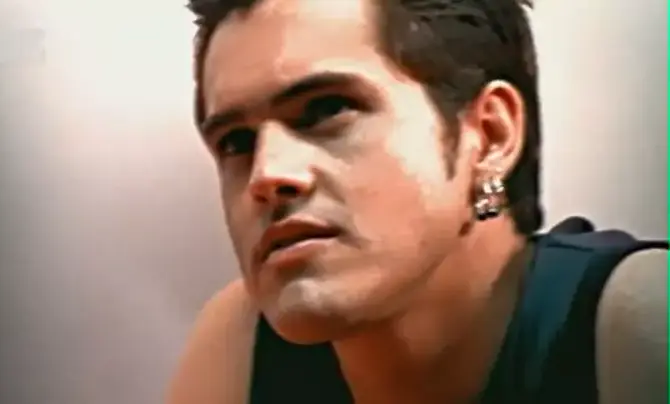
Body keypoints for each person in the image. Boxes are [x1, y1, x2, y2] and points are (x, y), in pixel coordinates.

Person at [168, 0, 668, 402]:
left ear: (490, 136)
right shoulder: (240, 343)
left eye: (326, 109)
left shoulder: (636, 322)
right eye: (235, 142)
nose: (267, 174)